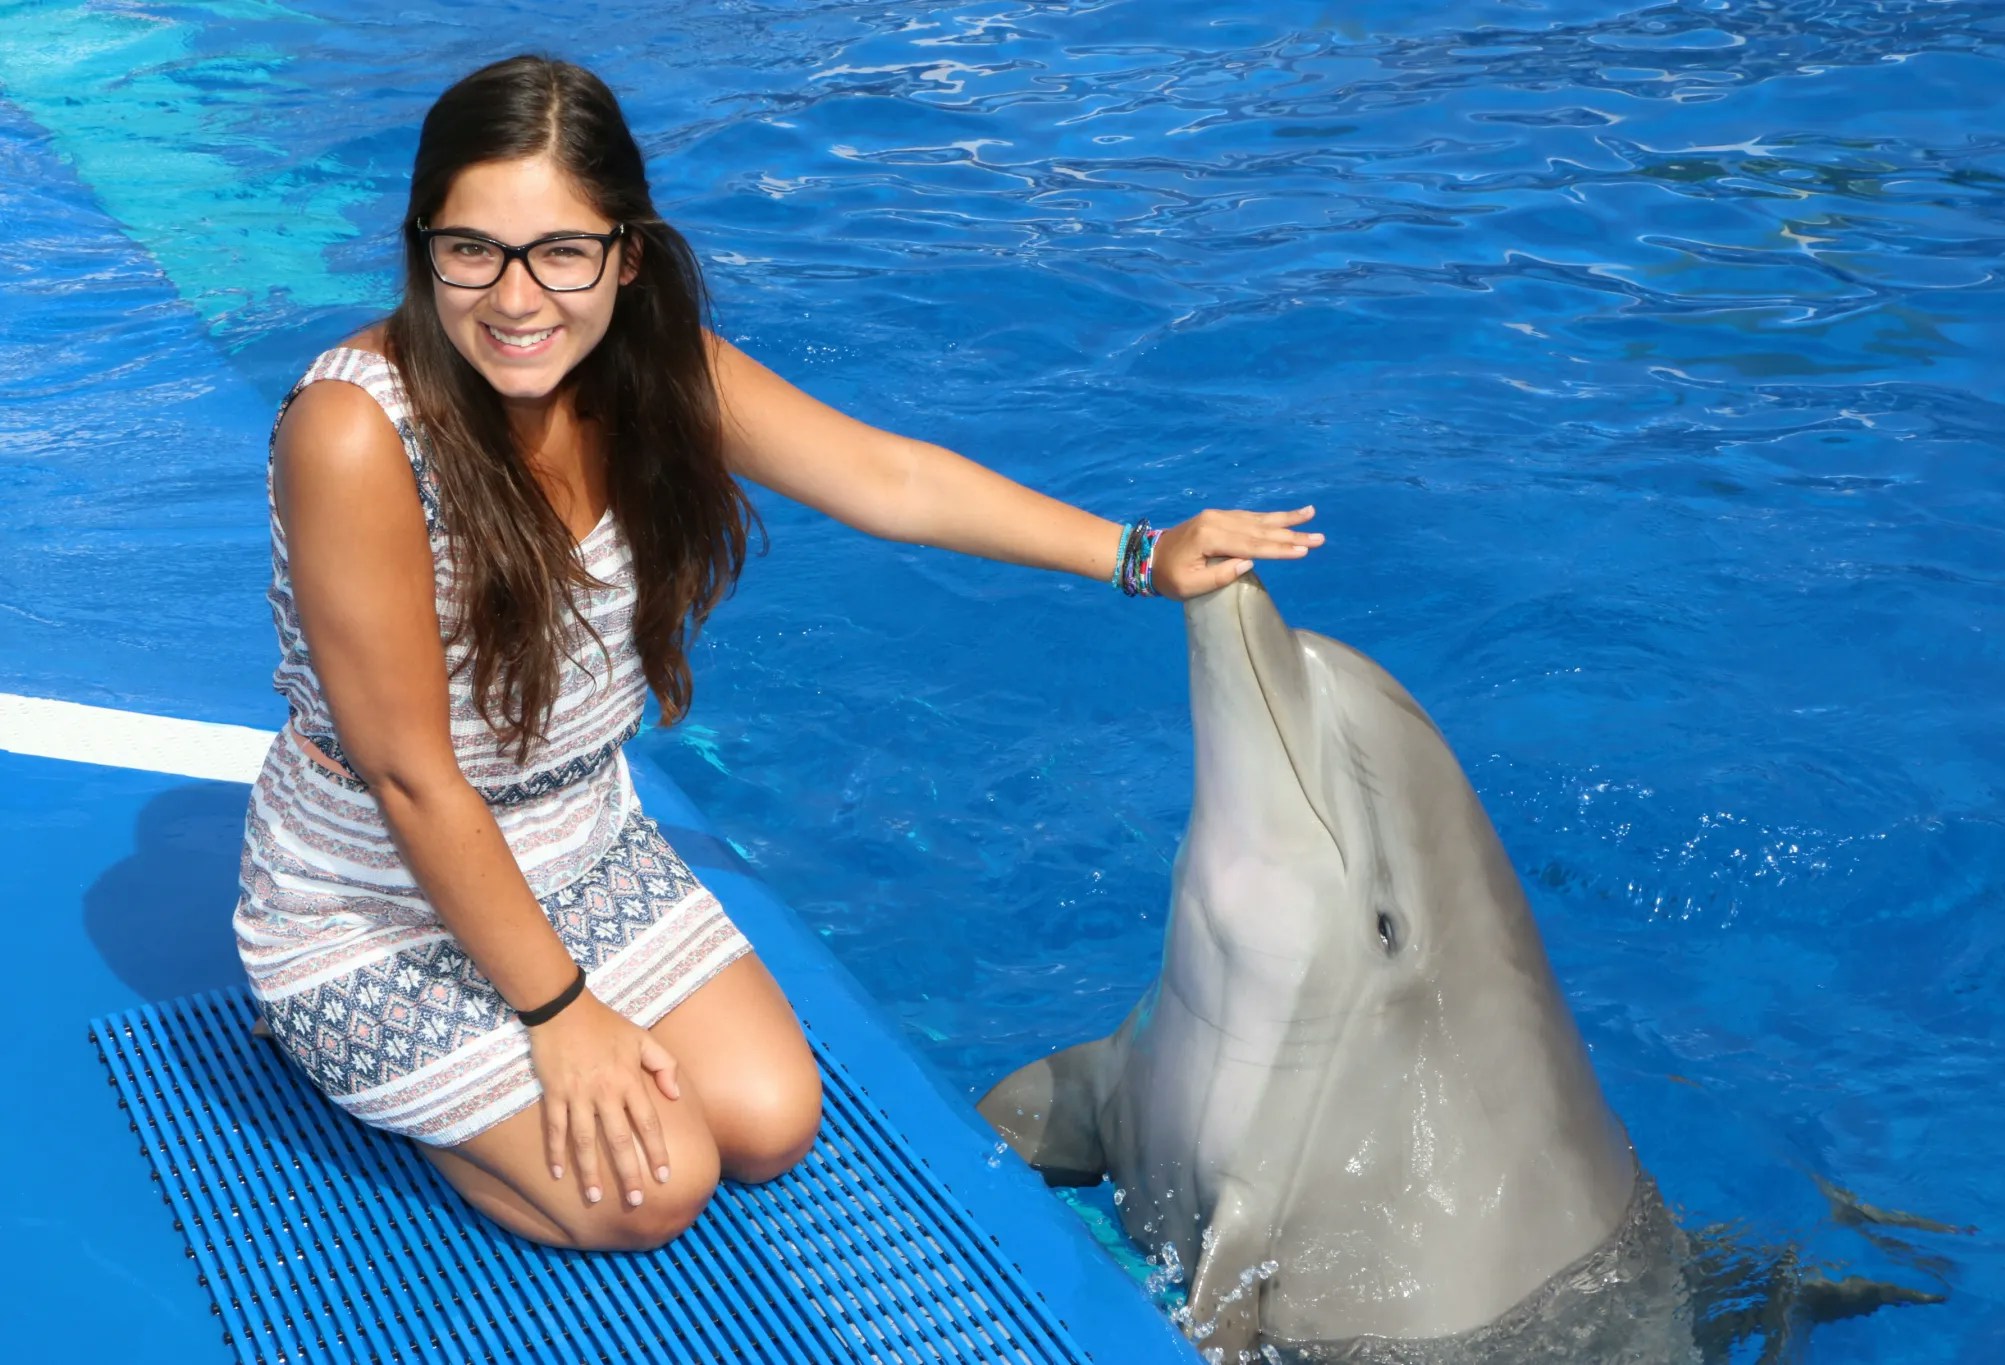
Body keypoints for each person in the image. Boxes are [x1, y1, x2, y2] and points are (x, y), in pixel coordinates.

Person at [234, 53, 1323, 1254]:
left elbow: (886, 479)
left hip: (575, 847)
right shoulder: (355, 433)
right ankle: (350, 1049)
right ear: (423, 243)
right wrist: (558, 1015)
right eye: (472, 249)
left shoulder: (655, 377)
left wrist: (1137, 554)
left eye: (562, 250)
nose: (515, 297)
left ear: (625, 253)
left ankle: (503, 1069)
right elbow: (411, 778)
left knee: (769, 1121)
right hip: (375, 897)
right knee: (645, 1196)